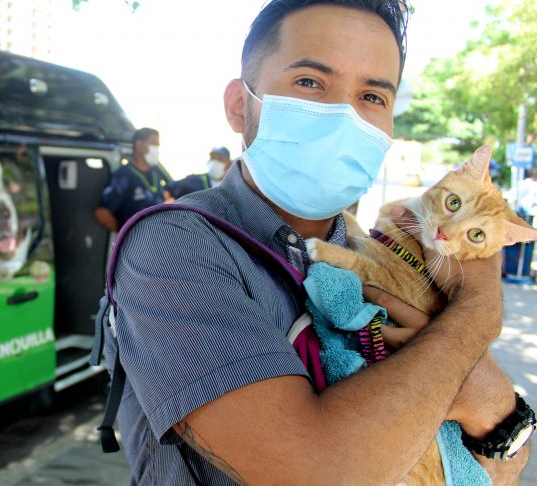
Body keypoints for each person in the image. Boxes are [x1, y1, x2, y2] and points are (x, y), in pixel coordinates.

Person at [104, 1, 531, 485]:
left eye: (372, 96)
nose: (344, 115)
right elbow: (319, 472)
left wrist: (504, 416)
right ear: (239, 105)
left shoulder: (370, 250)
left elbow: (507, 464)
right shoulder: (175, 247)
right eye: (310, 82)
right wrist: (477, 313)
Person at [94, 127, 172, 232]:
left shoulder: (155, 173)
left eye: (158, 145)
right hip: (138, 243)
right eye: (153, 144)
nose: (156, 149)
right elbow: (102, 213)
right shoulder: (124, 175)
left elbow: (163, 195)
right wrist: (126, 235)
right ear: (139, 145)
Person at [167, 147, 233, 199]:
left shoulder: (233, 185)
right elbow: (169, 189)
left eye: (220, 159)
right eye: (212, 158)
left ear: (229, 164)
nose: (215, 162)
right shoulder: (193, 181)